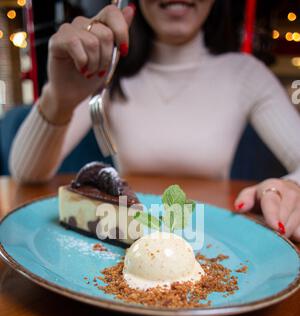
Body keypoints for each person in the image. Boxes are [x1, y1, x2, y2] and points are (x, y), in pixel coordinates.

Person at [9, 0, 300, 241]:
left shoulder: (246, 74)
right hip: (124, 243)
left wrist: (288, 189)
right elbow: (25, 173)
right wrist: (59, 98)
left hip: (211, 242)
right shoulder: (108, 70)